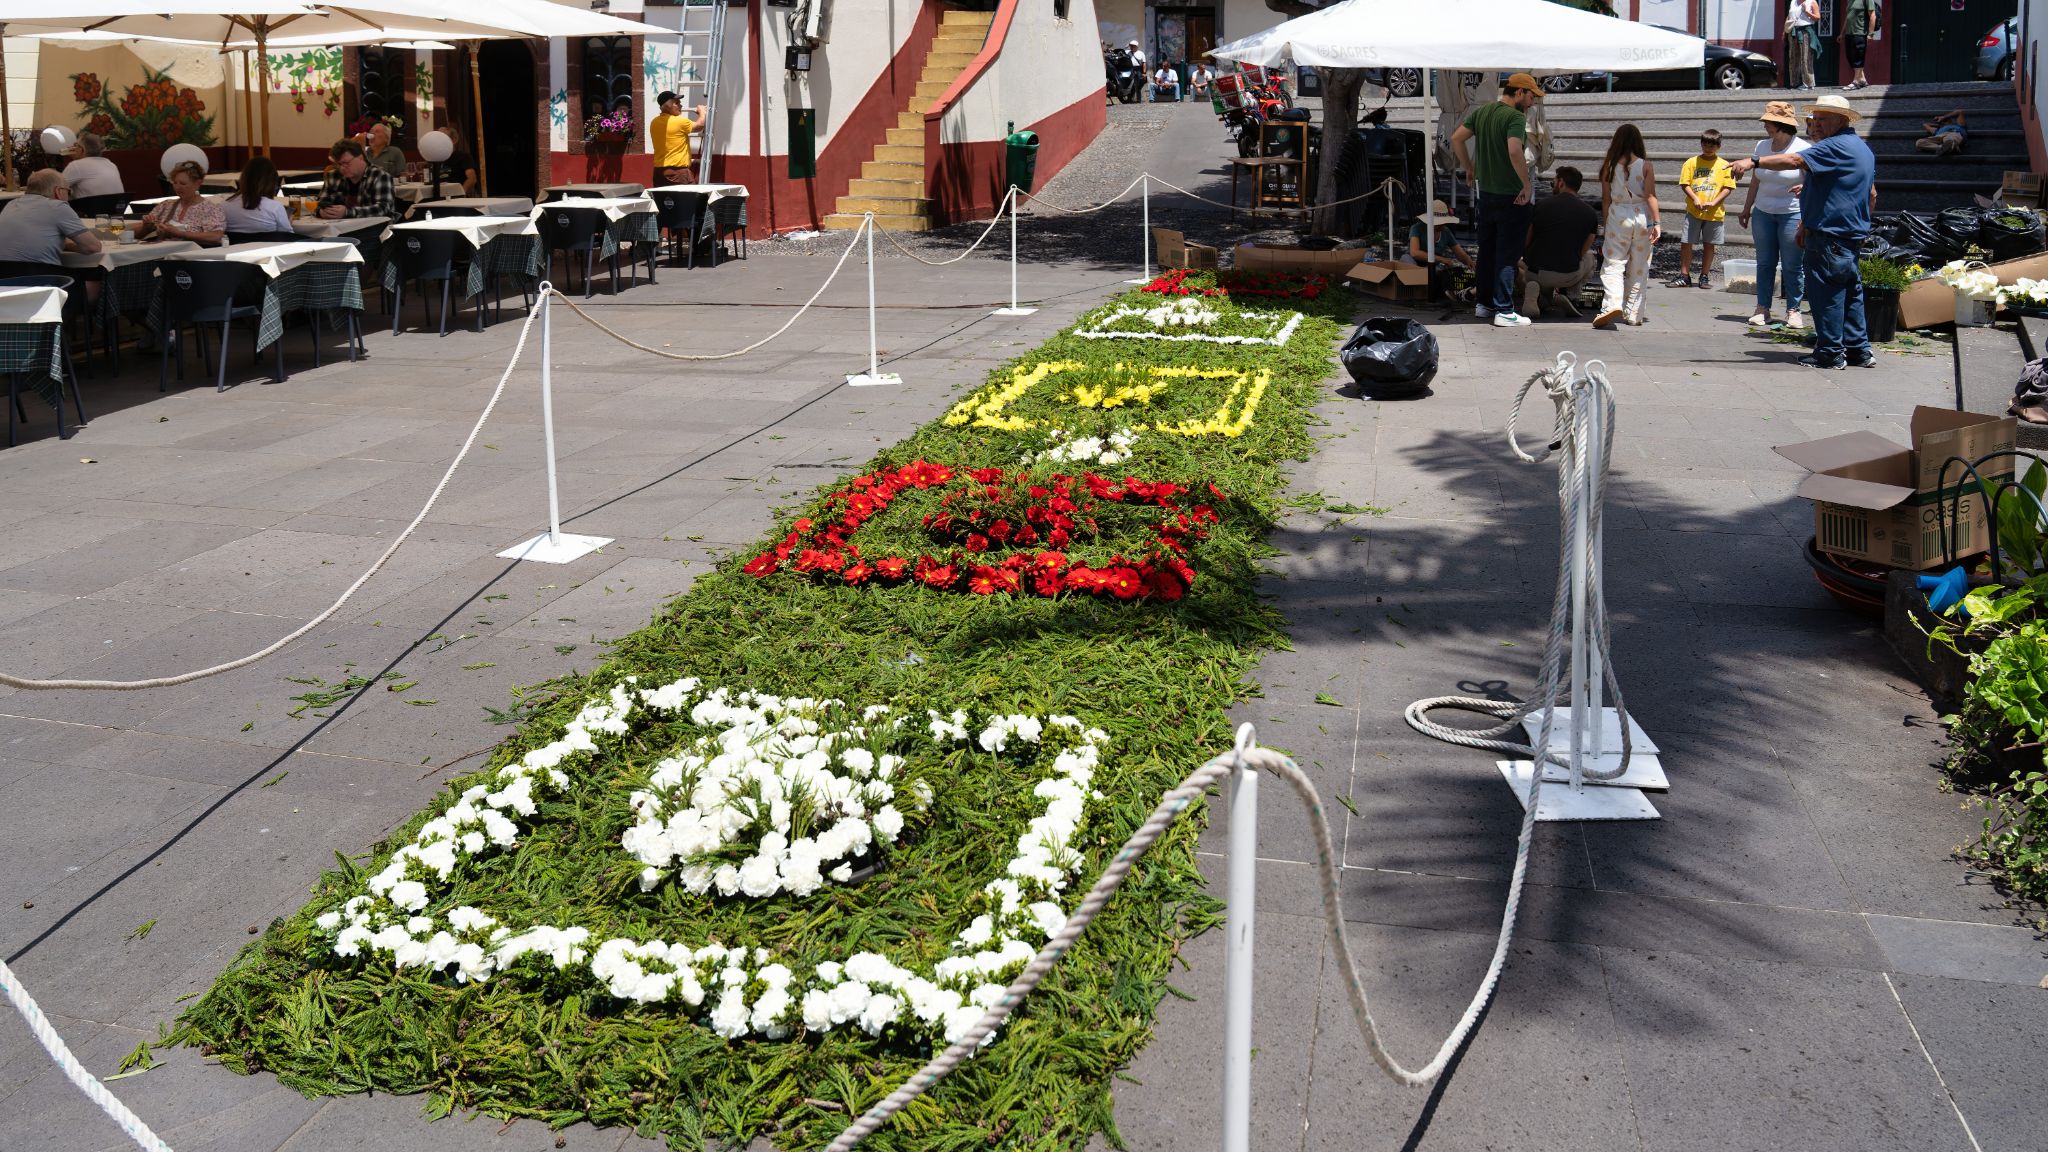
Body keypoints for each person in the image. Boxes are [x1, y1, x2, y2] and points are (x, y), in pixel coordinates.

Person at [1730, 94, 1878, 369]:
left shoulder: (1834, 146)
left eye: (1822, 119)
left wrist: (1755, 161)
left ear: (1841, 120)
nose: (1815, 124)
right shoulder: (1861, 148)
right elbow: (1870, 194)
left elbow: (1795, 161)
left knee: (1827, 295)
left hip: (1830, 234)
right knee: (1851, 291)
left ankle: (1831, 352)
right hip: (1849, 234)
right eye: (1814, 119)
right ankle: (1859, 350)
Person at [1449, 71, 1543, 327]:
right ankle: (1504, 310)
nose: (1533, 102)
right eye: (1532, 96)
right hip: (1511, 196)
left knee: (1487, 251)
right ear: (1520, 92)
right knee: (1507, 254)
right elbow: (1514, 151)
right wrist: (1525, 183)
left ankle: (1484, 304)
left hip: (1486, 194)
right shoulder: (1514, 117)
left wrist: (1469, 167)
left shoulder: (1483, 112)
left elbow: (1456, 138)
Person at [1736, 100, 1809, 329]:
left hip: (1792, 212)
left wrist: (1805, 192)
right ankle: (1762, 308)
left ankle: (1793, 310)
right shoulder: (1761, 146)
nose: (1765, 125)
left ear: (1781, 124)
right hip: (1764, 212)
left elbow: (1812, 181)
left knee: (1792, 264)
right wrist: (1747, 207)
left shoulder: (1803, 149)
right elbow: (1756, 179)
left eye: (1769, 122)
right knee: (1765, 262)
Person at [1593, 124, 1661, 329]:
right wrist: (1657, 222)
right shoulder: (1646, 165)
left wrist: (1606, 224)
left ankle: (1612, 303)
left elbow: (1605, 199)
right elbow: (1650, 196)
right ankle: (1634, 314)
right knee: (1639, 266)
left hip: (1617, 215)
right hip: (1641, 215)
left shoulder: (1608, 166)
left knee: (1613, 263)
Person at [1520, 166, 1599, 317]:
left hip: (1535, 271)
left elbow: (1526, 241)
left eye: (1553, 182)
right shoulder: (1590, 214)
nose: (1552, 186)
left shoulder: (1540, 206)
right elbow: (1582, 252)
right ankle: (1570, 295)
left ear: (1561, 183)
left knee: (1519, 264)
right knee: (1590, 258)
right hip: (1567, 275)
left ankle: (1537, 295)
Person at [1673, 129, 1735, 289]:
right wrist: (1695, 198)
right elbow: (1685, 183)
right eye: (1705, 144)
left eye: (1712, 145)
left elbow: (1728, 187)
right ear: (1701, 144)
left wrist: (1714, 202)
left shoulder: (1724, 165)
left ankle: (1704, 275)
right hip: (1694, 210)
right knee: (1687, 242)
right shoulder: (1691, 162)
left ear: (1719, 146)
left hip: (1714, 213)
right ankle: (1684, 275)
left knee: (1709, 244)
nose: (1708, 148)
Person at [0, 169, 100, 264]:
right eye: (68, 191)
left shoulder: (11, 205)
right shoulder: (57, 206)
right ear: (58, 191)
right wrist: (67, 245)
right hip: (42, 277)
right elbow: (92, 247)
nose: (68, 197)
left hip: (4, 278)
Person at [135, 161, 225, 245]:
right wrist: (146, 228)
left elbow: (216, 236)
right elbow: (133, 235)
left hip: (189, 257)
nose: (178, 187)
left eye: (183, 183)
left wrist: (180, 233)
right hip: (161, 255)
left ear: (198, 183)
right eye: (175, 183)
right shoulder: (166, 205)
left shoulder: (210, 208)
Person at [1406, 199, 1477, 301]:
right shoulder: (1417, 228)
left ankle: (1451, 294)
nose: (1441, 225)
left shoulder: (1446, 232)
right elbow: (1414, 252)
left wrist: (1468, 261)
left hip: (1433, 267)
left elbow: (1459, 252)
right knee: (1407, 259)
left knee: (1445, 273)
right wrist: (1442, 259)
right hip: (1414, 264)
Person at [317, 138, 396, 220]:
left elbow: (383, 209)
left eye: (346, 163)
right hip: (339, 229)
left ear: (360, 158)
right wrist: (321, 212)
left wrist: (347, 212)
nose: (342, 168)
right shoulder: (333, 176)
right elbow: (319, 204)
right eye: (339, 164)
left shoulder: (379, 176)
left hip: (374, 229)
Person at [649, 90, 706, 186]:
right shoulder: (679, 121)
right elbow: (699, 126)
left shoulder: (654, 122)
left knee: (663, 200)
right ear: (667, 106)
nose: (681, 106)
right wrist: (702, 112)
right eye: (677, 103)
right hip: (678, 172)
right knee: (689, 199)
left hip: (659, 172)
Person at [225, 156, 292, 236]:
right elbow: (287, 236)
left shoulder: (225, 205)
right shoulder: (275, 207)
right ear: (271, 181)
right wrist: (288, 223)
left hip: (235, 248)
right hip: (267, 248)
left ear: (244, 178)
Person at [60, 132, 124, 199]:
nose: (73, 148)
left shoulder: (76, 165)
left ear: (82, 149)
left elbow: (56, 189)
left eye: (76, 145)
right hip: (116, 208)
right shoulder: (111, 164)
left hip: (90, 208)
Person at [1843, 0, 1880, 90]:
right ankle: (1862, 79)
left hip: (1860, 33)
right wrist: (1842, 33)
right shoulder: (1850, 1)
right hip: (1849, 33)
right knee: (1850, 56)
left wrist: (1870, 34)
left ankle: (1856, 81)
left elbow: (1872, 15)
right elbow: (1847, 18)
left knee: (1858, 57)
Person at [1785, 0, 1820, 92]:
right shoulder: (1793, 2)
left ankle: (1809, 84)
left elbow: (1817, 18)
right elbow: (1789, 16)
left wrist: (1807, 11)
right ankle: (1794, 83)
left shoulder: (1812, 2)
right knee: (1793, 57)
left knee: (1806, 58)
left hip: (1806, 32)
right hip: (1793, 32)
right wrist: (1785, 30)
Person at [434, 126, 479, 196]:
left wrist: (460, 194)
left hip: (455, 197)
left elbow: (472, 179)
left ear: (454, 140)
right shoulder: (435, 158)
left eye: (443, 138)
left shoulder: (463, 156)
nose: (439, 141)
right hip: (437, 196)